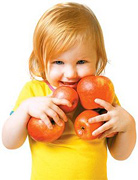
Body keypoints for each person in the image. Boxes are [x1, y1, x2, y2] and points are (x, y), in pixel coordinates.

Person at [2, 2, 136, 180]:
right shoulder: (34, 93)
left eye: (81, 62)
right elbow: (9, 142)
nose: (71, 74)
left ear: (98, 59)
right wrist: (25, 109)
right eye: (58, 62)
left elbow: (120, 155)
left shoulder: (101, 96)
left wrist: (128, 125)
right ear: (41, 61)